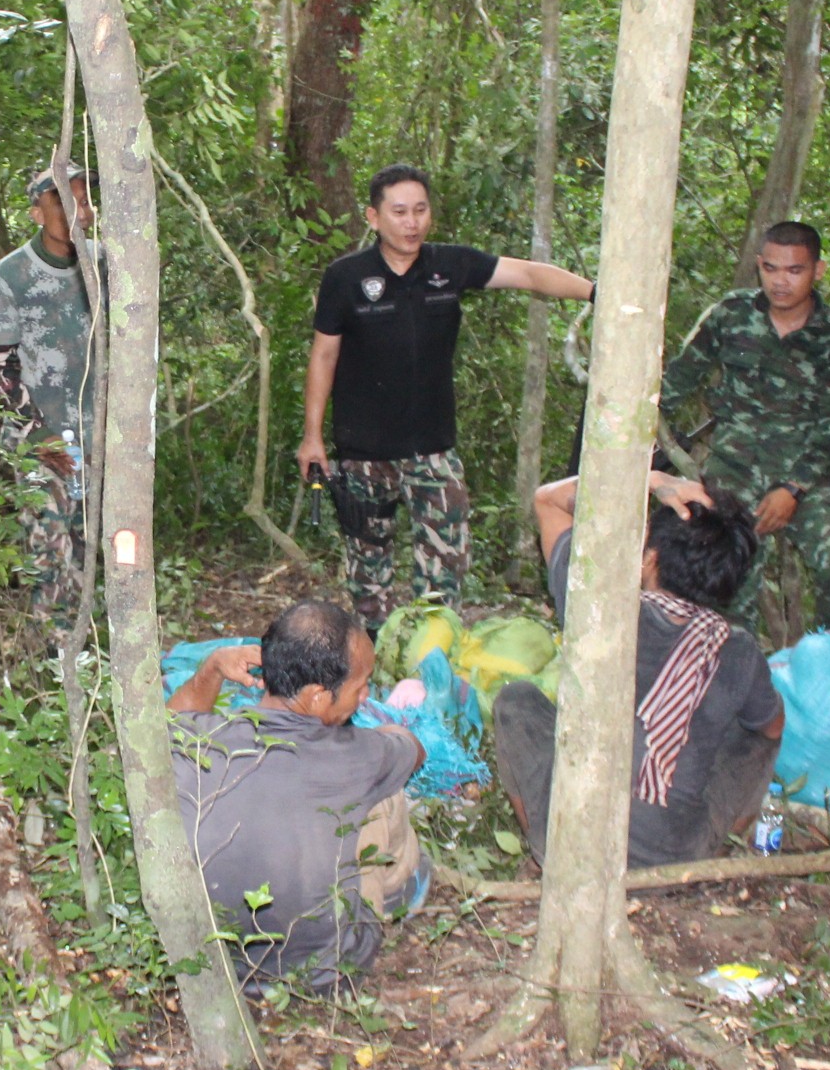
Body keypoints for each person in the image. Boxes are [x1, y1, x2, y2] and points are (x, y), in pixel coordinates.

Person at [297, 164, 595, 631]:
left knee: (444, 567)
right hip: (364, 453)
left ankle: (433, 653)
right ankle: (372, 653)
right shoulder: (346, 278)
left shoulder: (448, 266)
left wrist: (598, 292)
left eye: (420, 210)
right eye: (399, 212)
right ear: (373, 217)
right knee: (367, 572)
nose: (411, 222)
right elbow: (323, 357)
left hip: (433, 449)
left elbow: (530, 275)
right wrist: (311, 437)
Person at [495, 469, 784, 870]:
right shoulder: (737, 650)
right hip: (675, 856)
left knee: (516, 701)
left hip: (576, 843)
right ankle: (712, 849)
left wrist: (650, 479)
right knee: (756, 734)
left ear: (650, 558)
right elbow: (772, 729)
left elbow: (546, 500)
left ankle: (547, 850)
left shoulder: (596, 608)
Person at [167, 600, 430, 995]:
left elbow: (168, 723)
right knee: (383, 800)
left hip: (208, 963)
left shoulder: (206, 739)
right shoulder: (359, 754)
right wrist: (389, 729)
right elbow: (414, 751)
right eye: (361, 687)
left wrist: (212, 668)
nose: (365, 697)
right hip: (323, 969)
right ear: (319, 696)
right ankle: (397, 893)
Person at [660, 221, 830, 633]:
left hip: (805, 480)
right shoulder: (730, 315)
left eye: (795, 270)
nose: (781, 281)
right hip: (731, 473)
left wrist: (794, 489)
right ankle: (725, 672)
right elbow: (678, 381)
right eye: (771, 268)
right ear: (759, 265)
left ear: (818, 270)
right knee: (718, 571)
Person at [0, 165, 100, 628]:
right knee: (50, 551)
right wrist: (41, 436)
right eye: (61, 199)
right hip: (40, 441)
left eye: (82, 195)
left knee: (91, 547)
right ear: (37, 212)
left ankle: (92, 645)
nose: (76, 206)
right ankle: (58, 661)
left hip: (96, 436)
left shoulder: (104, 263)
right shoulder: (10, 275)